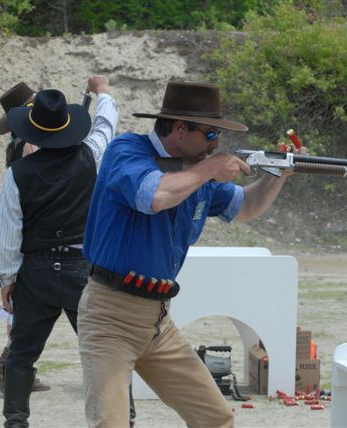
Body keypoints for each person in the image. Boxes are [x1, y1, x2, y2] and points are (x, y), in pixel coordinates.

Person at [78, 80, 299, 427]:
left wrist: (278, 174)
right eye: (211, 134)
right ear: (180, 129)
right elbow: (153, 197)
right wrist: (209, 169)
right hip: (110, 315)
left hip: (158, 320)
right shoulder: (127, 151)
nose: (216, 144)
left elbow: (247, 207)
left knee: (216, 418)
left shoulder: (196, 173)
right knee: (110, 423)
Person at [0, 76, 135, 427]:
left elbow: (9, 231)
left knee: (22, 354)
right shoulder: (91, 155)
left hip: (36, 271)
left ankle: (15, 421)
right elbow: (105, 125)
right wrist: (104, 93)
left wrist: (7, 277)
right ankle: (125, 417)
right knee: (104, 352)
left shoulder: (18, 173)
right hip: (82, 268)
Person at [0, 82, 51, 395]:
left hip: (26, 228)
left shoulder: (19, 141)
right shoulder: (28, 143)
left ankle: (12, 368)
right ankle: (6, 368)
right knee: (27, 309)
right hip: (31, 231)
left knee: (27, 308)